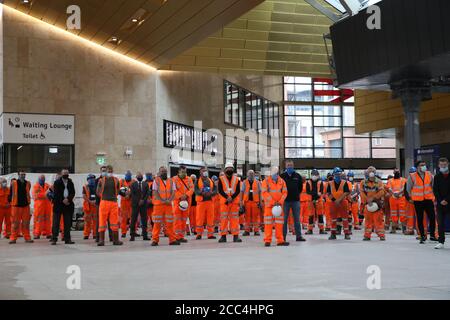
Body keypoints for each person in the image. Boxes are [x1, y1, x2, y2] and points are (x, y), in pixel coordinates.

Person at [407, 160, 437, 243]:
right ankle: (422, 236)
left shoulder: (429, 174)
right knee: (420, 218)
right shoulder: (412, 176)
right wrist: (411, 198)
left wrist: (434, 196)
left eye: (424, 165)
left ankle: (432, 235)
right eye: (421, 165)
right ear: (417, 167)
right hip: (418, 200)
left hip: (428, 199)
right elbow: (408, 189)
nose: (423, 166)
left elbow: (433, 186)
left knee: (432, 217)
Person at [261, 166, 289, 246]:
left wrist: (280, 202)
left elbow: (285, 193)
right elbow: (264, 193)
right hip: (269, 206)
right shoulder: (265, 181)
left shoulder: (282, 181)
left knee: (279, 224)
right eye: (274, 173)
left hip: (279, 207)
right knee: (268, 224)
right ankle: (267, 240)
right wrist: (273, 202)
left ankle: (280, 240)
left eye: (276, 173)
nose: (275, 175)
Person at [152, 166, 179, 246]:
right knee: (157, 223)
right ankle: (155, 240)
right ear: (159, 172)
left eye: (165, 171)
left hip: (168, 205)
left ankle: (172, 240)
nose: (164, 172)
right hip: (158, 205)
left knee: (170, 223)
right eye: (162, 171)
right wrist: (163, 200)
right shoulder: (156, 180)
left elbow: (173, 192)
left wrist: (169, 200)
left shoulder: (171, 181)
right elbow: (155, 192)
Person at [96, 165, 123, 246]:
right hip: (104, 203)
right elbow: (97, 191)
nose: (110, 173)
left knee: (114, 222)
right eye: (108, 171)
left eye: (111, 171)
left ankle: (116, 240)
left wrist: (113, 197)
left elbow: (118, 190)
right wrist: (104, 197)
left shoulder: (116, 180)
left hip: (114, 203)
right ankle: (101, 240)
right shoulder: (101, 180)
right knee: (102, 222)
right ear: (106, 171)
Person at [280, 160, 305, 242]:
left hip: (295, 201)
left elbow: (300, 188)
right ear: (286, 166)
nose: (290, 167)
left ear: (293, 166)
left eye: (291, 165)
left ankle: (299, 236)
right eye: (288, 165)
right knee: (284, 220)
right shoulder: (282, 176)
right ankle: (282, 237)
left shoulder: (297, 176)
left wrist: (296, 194)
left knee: (297, 219)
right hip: (285, 201)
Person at [217, 163, 242, 243]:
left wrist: (232, 197)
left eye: (231, 169)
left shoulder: (237, 179)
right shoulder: (221, 179)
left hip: (234, 202)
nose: (229, 170)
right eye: (228, 169)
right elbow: (220, 190)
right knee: (224, 219)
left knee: (235, 219)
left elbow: (238, 190)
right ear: (225, 170)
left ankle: (236, 236)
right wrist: (227, 197)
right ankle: (223, 236)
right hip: (225, 202)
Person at [360, 166, 385, 241]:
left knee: (378, 220)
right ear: (367, 173)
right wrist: (367, 201)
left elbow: (382, 192)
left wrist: (373, 198)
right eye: (369, 171)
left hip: (377, 204)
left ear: (375, 172)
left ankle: (381, 235)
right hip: (367, 204)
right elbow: (362, 193)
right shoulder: (363, 182)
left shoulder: (379, 182)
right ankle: (367, 235)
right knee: (368, 220)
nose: (371, 173)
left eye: (372, 171)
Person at [51, 169, 76, 245]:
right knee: (56, 223)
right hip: (58, 204)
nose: (66, 174)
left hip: (68, 205)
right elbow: (56, 193)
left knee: (67, 223)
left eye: (67, 173)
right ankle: (54, 239)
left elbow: (73, 192)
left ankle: (67, 239)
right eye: (64, 173)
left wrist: (68, 199)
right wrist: (63, 200)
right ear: (61, 174)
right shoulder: (57, 182)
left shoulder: (70, 182)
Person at [327, 167, 351, 240]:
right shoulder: (330, 183)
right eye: (336, 174)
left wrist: (339, 200)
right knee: (333, 219)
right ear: (333, 175)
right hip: (333, 203)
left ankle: (346, 234)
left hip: (343, 202)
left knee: (345, 218)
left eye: (339, 174)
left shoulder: (344, 182)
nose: (338, 176)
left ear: (341, 174)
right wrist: (335, 200)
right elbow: (329, 193)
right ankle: (333, 234)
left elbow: (346, 192)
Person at [194, 167, 217, 240]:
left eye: (206, 171)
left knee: (210, 218)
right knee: (199, 219)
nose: (205, 172)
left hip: (210, 202)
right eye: (203, 171)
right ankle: (199, 234)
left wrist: (211, 193)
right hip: (201, 202)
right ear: (200, 172)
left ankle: (210, 234)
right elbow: (196, 190)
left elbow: (215, 190)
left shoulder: (211, 181)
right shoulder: (197, 181)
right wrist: (202, 193)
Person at [172, 166, 194, 243]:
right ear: (178, 172)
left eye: (185, 172)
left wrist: (186, 195)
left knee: (184, 220)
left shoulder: (189, 179)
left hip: (186, 203)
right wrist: (181, 196)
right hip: (177, 202)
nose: (184, 173)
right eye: (182, 172)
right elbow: (173, 190)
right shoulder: (174, 179)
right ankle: (176, 237)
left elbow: (192, 189)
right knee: (177, 220)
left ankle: (181, 236)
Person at [433, 157, 450, 249]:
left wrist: (446, 200)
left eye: (445, 165)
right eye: (441, 165)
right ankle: (441, 242)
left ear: (448, 164)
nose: (443, 166)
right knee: (440, 223)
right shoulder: (437, 176)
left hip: (449, 202)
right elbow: (435, 190)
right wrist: (440, 200)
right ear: (439, 165)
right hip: (440, 204)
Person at [130, 172, 151, 241]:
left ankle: (145, 235)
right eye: (138, 176)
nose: (140, 177)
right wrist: (138, 201)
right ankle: (132, 235)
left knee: (144, 220)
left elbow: (147, 193)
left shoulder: (145, 184)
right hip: (135, 204)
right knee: (133, 220)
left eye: (141, 176)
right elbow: (132, 194)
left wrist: (143, 200)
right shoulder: (133, 184)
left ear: (142, 177)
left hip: (143, 204)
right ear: (136, 177)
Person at [240, 170, 262, 236]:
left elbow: (260, 192)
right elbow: (242, 192)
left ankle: (256, 230)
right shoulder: (244, 182)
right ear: (247, 175)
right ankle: (247, 230)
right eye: (250, 174)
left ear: (254, 175)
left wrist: (260, 202)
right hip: (247, 202)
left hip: (255, 202)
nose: (251, 175)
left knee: (256, 217)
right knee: (247, 217)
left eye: (252, 173)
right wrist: (241, 202)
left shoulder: (257, 182)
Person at [305, 169, 326, 235]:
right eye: (313, 175)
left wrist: (315, 195)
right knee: (310, 215)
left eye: (316, 175)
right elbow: (308, 191)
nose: (314, 176)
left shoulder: (321, 182)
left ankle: (321, 229)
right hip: (311, 201)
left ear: (318, 175)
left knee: (320, 215)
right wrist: (316, 194)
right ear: (311, 175)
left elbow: (321, 192)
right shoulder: (308, 182)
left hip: (319, 201)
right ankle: (310, 230)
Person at [386, 169, 407, 234]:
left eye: (397, 171)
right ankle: (393, 228)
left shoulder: (403, 180)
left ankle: (404, 228)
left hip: (401, 198)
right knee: (393, 214)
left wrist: (398, 193)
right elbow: (389, 188)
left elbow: (404, 187)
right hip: (393, 198)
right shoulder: (390, 180)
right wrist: (394, 193)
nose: (396, 173)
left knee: (403, 213)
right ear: (393, 173)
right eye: (395, 172)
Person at [32, 175, 52, 239]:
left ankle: (48, 233)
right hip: (39, 206)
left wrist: (47, 193)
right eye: (41, 178)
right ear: (38, 179)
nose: (42, 179)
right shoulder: (35, 186)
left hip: (47, 205)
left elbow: (51, 193)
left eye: (43, 178)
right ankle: (37, 234)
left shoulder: (47, 185)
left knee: (48, 220)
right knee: (38, 220)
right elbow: (37, 195)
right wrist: (46, 193)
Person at [119, 171, 134, 238]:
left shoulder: (133, 182)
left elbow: (135, 190)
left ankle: (133, 232)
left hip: (131, 202)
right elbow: (118, 190)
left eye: (129, 175)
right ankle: (123, 232)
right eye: (127, 175)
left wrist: (129, 195)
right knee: (124, 218)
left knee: (133, 218)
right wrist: (125, 195)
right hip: (124, 202)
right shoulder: (121, 181)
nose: (128, 176)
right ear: (125, 175)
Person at [82, 174, 97, 240]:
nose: (92, 180)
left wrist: (95, 201)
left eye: (93, 178)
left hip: (95, 205)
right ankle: (86, 234)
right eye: (90, 178)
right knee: (87, 221)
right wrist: (90, 201)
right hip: (88, 206)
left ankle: (95, 234)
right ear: (87, 180)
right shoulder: (85, 187)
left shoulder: (97, 186)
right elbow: (84, 195)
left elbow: (100, 194)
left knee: (95, 221)